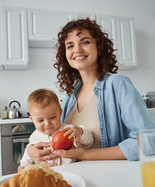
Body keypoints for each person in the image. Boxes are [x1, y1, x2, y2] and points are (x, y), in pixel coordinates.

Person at [27, 18, 155, 164]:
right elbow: (55, 138)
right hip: (76, 180)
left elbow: (148, 143)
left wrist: (86, 154)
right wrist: (31, 151)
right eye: (70, 46)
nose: (77, 49)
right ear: (65, 55)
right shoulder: (70, 98)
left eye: (85, 42)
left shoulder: (118, 85)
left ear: (99, 47)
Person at [18, 88, 93, 172]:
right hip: (46, 174)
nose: (47, 124)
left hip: (70, 172)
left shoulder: (67, 130)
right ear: (32, 120)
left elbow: (89, 142)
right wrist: (23, 165)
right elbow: (29, 153)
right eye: (40, 120)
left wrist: (80, 131)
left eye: (52, 117)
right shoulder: (35, 137)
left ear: (60, 113)